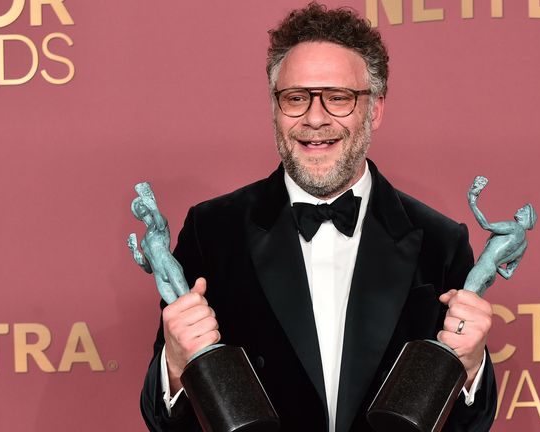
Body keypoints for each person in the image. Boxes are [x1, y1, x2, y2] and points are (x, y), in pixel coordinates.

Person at [140, 3, 497, 431]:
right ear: (275, 108)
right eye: (295, 98)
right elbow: (163, 421)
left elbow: (469, 424)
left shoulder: (441, 241)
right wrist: (177, 367)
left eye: (338, 98)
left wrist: (472, 366)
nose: (314, 117)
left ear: (375, 110)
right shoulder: (211, 231)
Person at [463, 176, 536, 295]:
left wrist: (472, 202)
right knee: (471, 307)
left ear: (527, 217)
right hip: (491, 273)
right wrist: (494, 264)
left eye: (523, 209)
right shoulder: (524, 245)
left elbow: (486, 225)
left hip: (483, 267)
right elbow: (508, 274)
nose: (519, 209)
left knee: (464, 302)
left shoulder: (515, 227)